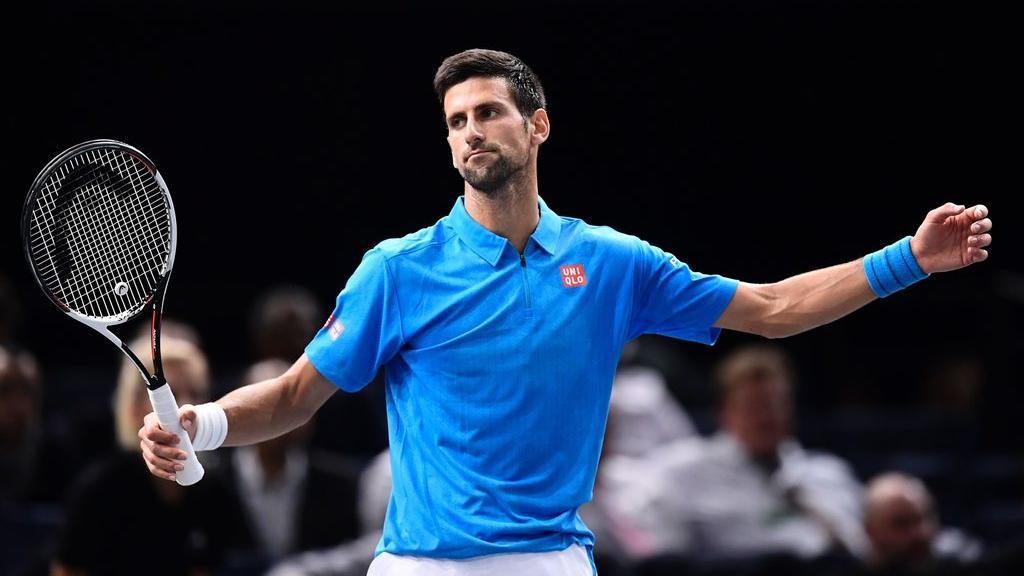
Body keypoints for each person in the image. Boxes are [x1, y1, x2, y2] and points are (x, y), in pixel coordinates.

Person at [139, 48, 993, 575]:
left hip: (552, 561)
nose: (471, 131)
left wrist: (908, 260)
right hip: (416, 567)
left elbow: (771, 308)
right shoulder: (397, 270)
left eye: (488, 112)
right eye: (455, 121)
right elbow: (292, 398)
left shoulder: (613, 263)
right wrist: (203, 426)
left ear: (537, 126)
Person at [634, 344, 868, 571]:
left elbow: (862, 553)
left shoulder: (829, 473)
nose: (765, 417)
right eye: (753, 406)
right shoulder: (681, 471)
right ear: (724, 412)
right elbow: (666, 559)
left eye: (775, 403)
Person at [54, 336, 242, 576]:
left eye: (195, 393)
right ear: (133, 407)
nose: (185, 407)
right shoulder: (98, 490)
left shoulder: (215, 494)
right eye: (172, 395)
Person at [226, 358, 362, 564]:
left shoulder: (339, 484)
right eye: (262, 409)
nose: (272, 421)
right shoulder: (213, 483)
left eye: (283, 407)